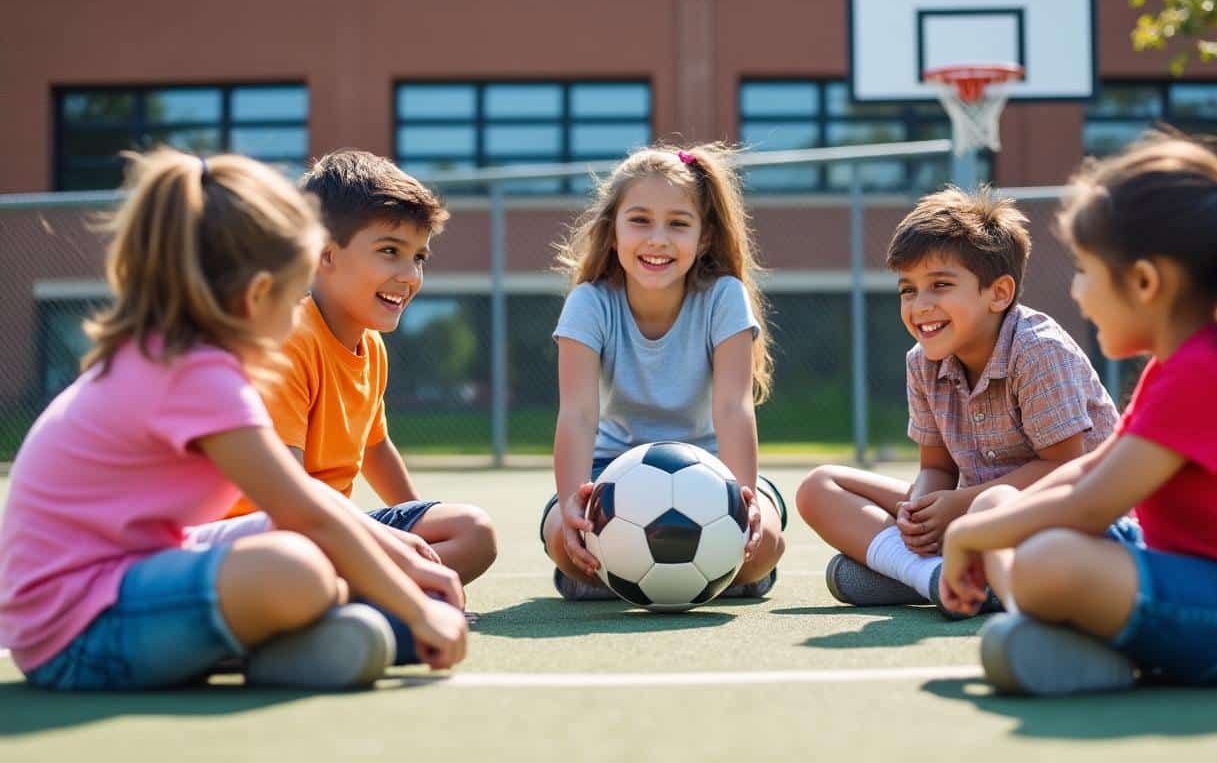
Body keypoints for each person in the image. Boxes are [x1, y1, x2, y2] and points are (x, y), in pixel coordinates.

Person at [0, 150, 467, 691]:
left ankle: (290, 642)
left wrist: (397, 552)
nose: (301, 315)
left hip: (136, 575)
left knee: (323, 548)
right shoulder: (194, 372)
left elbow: (301, 508)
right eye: (296, 297)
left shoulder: (187, 358)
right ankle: (288, 638)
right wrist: (415, 607)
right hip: (72, 633)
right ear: (257, 295)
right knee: (296, 568)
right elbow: (301, 507)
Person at [939, 133, 1217, 694]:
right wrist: (983, 525)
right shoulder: (1178, 363)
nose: (1077, 292)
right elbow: (1088, 470)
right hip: (1189, 570)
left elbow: (1091, 504)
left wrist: (967, 537)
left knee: (1045, 559)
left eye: (1085, 270)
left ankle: (1068, 628)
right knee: (997, 502)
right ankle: (1060, 627)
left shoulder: (1208, 370)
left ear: (1146, 282)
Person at [795, 186, 1117, 619]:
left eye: (940, 286)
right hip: (970, 515)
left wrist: (958, 507)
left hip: (1063, 516)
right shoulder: (922, 363)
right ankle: (937, 576)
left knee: (859, 572)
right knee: (819, 486)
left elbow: (1063, 469)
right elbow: (937, 468)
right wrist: (920, 512)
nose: (920, 306)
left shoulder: (1038, 350)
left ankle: (925, 572)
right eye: (907, 290)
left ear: (998, 293)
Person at [213, 150, 497, 590]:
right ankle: (382, 593)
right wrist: (393, 551)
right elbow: (287, 491)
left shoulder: (372, 346)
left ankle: (372, 590)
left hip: (333, 527)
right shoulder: (290, 342)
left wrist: (413, 534)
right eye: (390, 251)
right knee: (303, 571)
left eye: (419, 257)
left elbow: (376, 446)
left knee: (474, 533)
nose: (410, 275)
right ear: (324, 254)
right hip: (278, 532)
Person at [544, 143, 787, 601]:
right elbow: (577, 414)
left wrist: (745, 499)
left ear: (705, 238)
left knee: (765, 546)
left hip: (714, 473)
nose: (658, 239)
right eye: (639, 221)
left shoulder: (724, 297)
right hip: (607, 472)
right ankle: (630, 572)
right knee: (563, 540)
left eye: (678, 224)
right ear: (612, 232)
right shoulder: (590, 303)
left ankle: (638, 578)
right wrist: (573, 507)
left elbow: (733, 408)